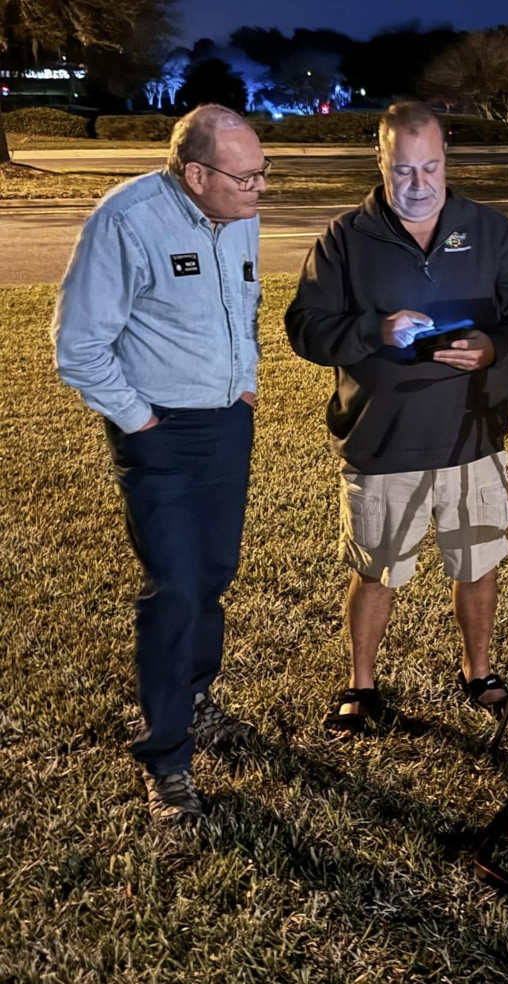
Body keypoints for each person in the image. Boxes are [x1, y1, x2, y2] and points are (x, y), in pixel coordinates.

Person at [285, 101, 508, 738]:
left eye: (430, 167)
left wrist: (494, 347)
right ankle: (362, 686)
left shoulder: (487, 229)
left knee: (478, 560)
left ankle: (480, 674)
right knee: (377, 567)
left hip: (472, 431)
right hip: (384, 436)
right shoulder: (345, 237)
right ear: (380, 160)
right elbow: (304, 327)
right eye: (404, 170)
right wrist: (371, 330)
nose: (419, 183)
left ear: (445, 159)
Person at [53, 105, 269, 821]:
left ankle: (196, 697)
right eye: (247, 177)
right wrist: (141, 419)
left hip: (226, 423)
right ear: (196, 173)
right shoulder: (127, 220)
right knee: (174, 588)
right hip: (160, 432)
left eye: (264, 173)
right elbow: (78, 345)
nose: (259, 189)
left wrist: (246, 385)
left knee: (214, 574)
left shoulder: (238, 211)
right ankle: (166, 756)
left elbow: (246, 302)